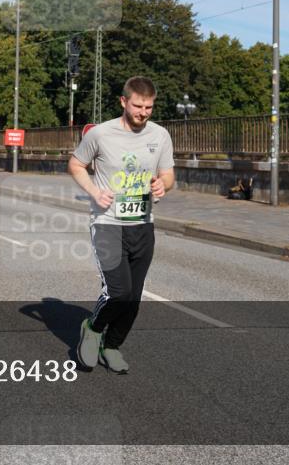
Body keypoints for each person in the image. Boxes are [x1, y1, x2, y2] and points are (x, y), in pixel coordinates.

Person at [68, 76, 175, 374]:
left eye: (149, 107)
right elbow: (76, 164)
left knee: (133, 297)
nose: (143, 112)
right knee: (117, 290)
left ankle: (112, 345)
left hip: (142, 224)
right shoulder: (101, 134)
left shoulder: (160, 135)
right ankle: (92, 329)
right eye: (138, 106)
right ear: (123, 102)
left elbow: (168, 174)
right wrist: (93, 192)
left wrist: (162, 185)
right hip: (107, 223)